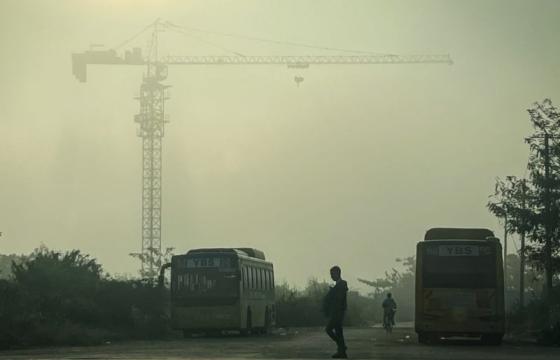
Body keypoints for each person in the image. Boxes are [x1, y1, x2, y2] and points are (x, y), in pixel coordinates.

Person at [323, 265, 348, 359]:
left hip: (338, 312)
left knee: (328, 329)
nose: (331, 276)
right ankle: (342, 352)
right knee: (338, 332)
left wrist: (332, 292)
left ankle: (342, 347)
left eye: (332, 274)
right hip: (336, 312)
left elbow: (339, 298)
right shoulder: (338, 285)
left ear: (337, 273)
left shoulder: (342, 284)